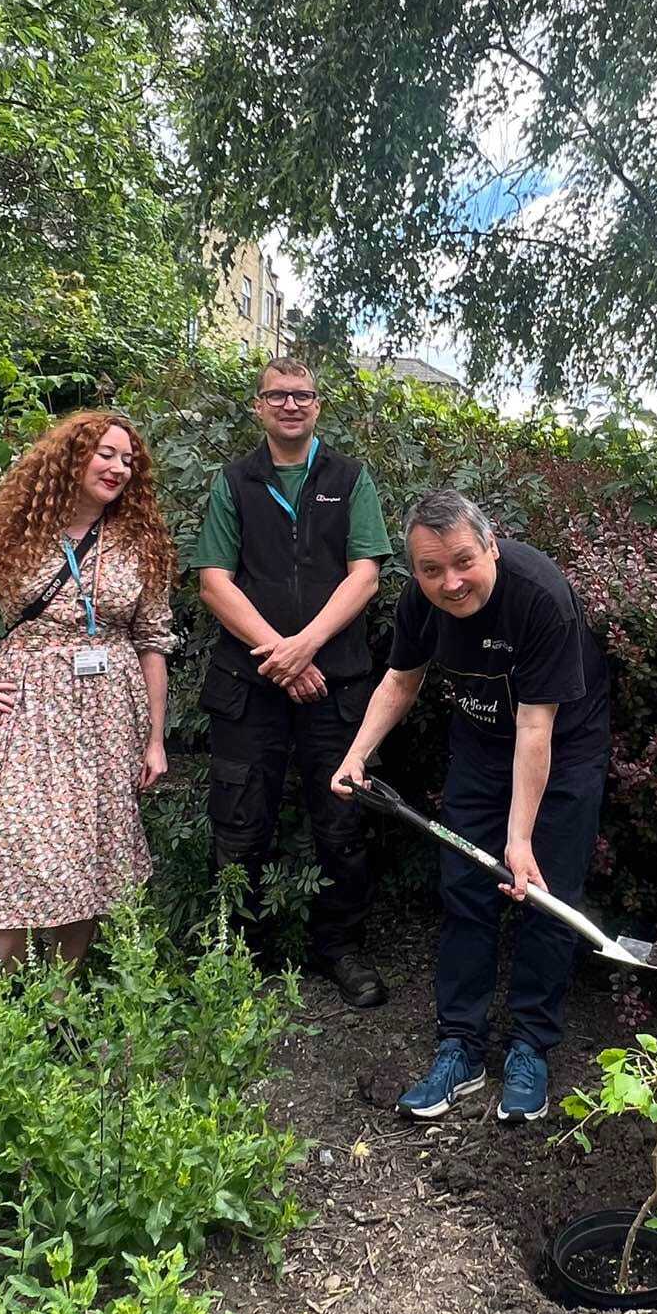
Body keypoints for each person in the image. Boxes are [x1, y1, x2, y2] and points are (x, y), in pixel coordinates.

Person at [330, 490, 610, 1122]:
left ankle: (531, 1046)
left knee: (546, 896)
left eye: (463, 561)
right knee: (465, 891)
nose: (450, 582)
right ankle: (461, 1047)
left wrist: (519, 841)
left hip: (563, 752)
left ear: (491, 544)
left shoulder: (539, 595)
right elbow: (401, 680)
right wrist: (356, 756)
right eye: (431, 570)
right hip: (481, 752)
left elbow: (536, 729)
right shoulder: (420, 604)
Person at [0, 412, 176, 967]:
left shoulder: (138, 541)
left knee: (91, 855)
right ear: (71, 457)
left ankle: (61, 1001)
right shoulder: (13, 527)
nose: (118, 467)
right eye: (106, 453)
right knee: (21, 851)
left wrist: (155, 738)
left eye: (128, 460)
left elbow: (152, 640)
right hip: (28, 715)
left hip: (109, 720)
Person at [193, 355, 394, 1007]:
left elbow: (365, 573)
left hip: (336, 684)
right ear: (258, 406)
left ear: (317, 406)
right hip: (248, 685)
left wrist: (306, 647)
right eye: (277, 395)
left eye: (302, 395)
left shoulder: (351, 479)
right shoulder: (235, 482)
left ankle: (342, 949)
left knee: (341, 823)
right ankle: (239, 955)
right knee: (241, 820)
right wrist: (280, 654)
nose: (290, 404)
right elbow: (213, 581)